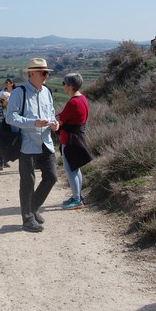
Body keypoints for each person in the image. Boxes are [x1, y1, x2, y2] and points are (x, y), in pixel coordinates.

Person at [6, 58, 59, 233]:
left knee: (51, 177)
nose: (46, 76)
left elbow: (51, 112)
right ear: (32, 74)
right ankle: (28, 219)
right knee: (28, 182)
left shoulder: (47, 92)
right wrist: (32, 123)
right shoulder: (18, 92)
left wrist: (54, 123)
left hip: (46, 142)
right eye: (43, 73)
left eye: (47, 73)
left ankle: (33, 207)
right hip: (27, 144)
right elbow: (10, 117)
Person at [57, 73, 89, 210]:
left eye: (64, 83)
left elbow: (60, 120)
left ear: (70, 86)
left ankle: (76, 199)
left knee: (70, 170)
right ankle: (78, 195)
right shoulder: (82, 99)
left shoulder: (72, 102)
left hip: (69, 140)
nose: (63, 86)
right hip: (78, 138)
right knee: (76, 169)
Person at [0, 91, 12, 170]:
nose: (1, 101)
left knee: (8, 146)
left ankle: (5, 161)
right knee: (2, 146)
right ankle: (1, 162)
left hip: (10, 130)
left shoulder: (12, 108)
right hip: (2, 131)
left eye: (3, 100)